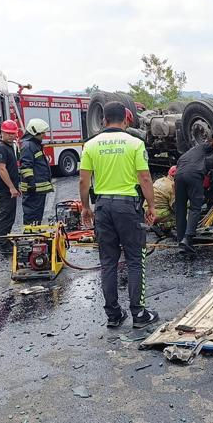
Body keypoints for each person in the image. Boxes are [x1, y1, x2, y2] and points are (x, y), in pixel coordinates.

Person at [79, 101, 160, 329]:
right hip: (128, 207)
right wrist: (151, 206)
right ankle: (139, 313)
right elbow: (144, 178)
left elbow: (84, 180)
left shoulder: (91, 145)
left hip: (103, 207)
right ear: (125, 120)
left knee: (108, 263)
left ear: (103, 120)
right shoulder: (135, 144)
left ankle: (113, 315)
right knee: (135, 260)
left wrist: (86, 207)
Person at [174, 135, 213, 253]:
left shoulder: (183, 157)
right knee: (195, 208)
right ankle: (188, 239)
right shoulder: (202, 148)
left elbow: (179, 170)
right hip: (194, 175)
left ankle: (180, 239)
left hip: (178, 177)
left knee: (180, 208)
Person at [0, 120, 21, 255]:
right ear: (2, 133)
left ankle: (6, 239)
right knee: (6, 216)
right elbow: (2, 168)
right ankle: (4, 245)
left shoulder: (9, 146)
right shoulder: (1, 148)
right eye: (8, 133)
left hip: (9, 189)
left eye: (13, 133)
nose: (11, 136)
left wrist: (16, 186)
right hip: (4, 190)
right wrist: (11, 187)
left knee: (10, 216)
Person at [19, 118, 54, 225]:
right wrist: (31, 182)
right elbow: (25, 166)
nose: (44, 135)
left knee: (36, 217)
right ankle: (30, 237)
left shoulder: (33, 145)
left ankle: (34, 236)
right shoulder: (28, 146)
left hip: (38, 189)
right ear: (34, 133)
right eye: (42, 133)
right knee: (32, 216)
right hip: (33, 189)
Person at [150, 165, 177, 231]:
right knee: (182, 217)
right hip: (159, 214)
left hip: (148, 212)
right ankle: (162, 226)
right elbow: (174, 207)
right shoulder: (172, 186)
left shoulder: (159, 180)